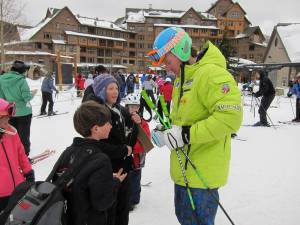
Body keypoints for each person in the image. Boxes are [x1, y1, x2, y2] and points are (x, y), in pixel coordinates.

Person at [147, 27, 242, 225]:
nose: (166, 67)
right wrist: (166, 132)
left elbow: (230, 118)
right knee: (185, 219)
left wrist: (185, 135)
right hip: (184, 172)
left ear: (181, 50)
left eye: (167, 60)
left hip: (202, 174)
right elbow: (183, 121)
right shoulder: (183, 79)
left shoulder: (211, 74)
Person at [51, 101, 127, 225]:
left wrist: (104, 178)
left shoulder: (68, 152)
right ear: (96, 129)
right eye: (107, 123)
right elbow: (102, 203)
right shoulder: (101, 160)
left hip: (68, 218)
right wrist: (115, 182)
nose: (111, 126)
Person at [82, 74, 141, 225]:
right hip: (107, 169)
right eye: (110, 88)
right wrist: (122, 151)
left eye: (116, 88)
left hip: (124, 168)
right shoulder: (97, 113)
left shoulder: (120, 110)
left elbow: (130, 140)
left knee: (123, 208)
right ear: (102, 91)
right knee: (109, 211)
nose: (115, 92)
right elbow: (95, 144)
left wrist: (135, 123)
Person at [0, 98, 34, 212]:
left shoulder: (11, 133)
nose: (7, 123)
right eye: (4, 121)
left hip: (18, 187)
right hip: (2, 193)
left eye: (8, 120)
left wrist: (28, 172)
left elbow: (21, 155)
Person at [0, 60, 33, 156]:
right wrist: (32, 94)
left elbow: (1, 98)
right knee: (24, 135)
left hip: (10, 112)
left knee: (12, 134)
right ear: (22, 71)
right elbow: (26, 98)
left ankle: (14, 152)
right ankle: (24, 154)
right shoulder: (22, 80)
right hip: (24, 112)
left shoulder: (1, 79)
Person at [124, 93, 150, 211]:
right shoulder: (123, 120)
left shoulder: (143, 123)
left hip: (136, 158)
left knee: (135, 179)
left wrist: (139, 124)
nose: (134, 109)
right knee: (125, 178)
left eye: (136, 107)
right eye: (131, 106)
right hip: (124, 157)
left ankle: (133, 200)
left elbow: (146, 142)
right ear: (126, 107)